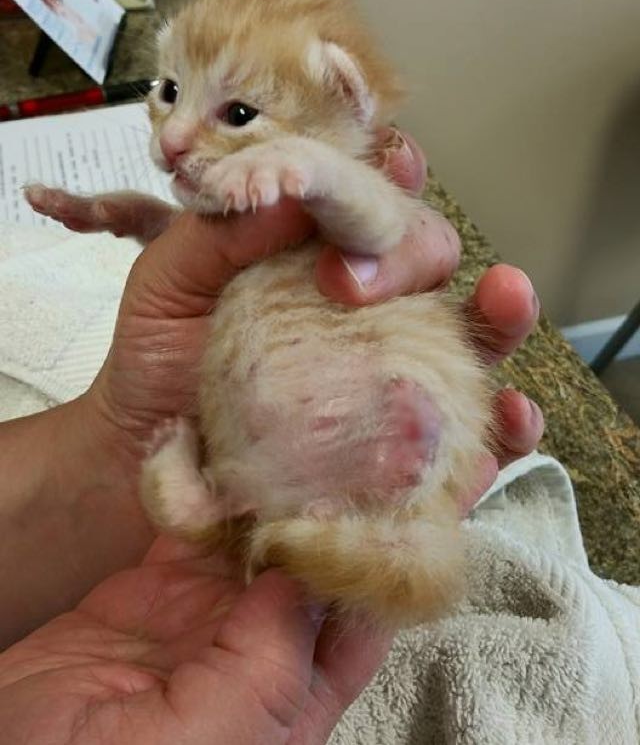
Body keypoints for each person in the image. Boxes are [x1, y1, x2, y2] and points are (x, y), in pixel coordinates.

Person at [0, 131, 543, 743]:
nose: (172, 137)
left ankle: (299, 495)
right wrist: (120, 213)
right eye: (168, 94)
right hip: (288, 467)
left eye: (234, 114)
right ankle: (266, 501)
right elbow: (188, 229)